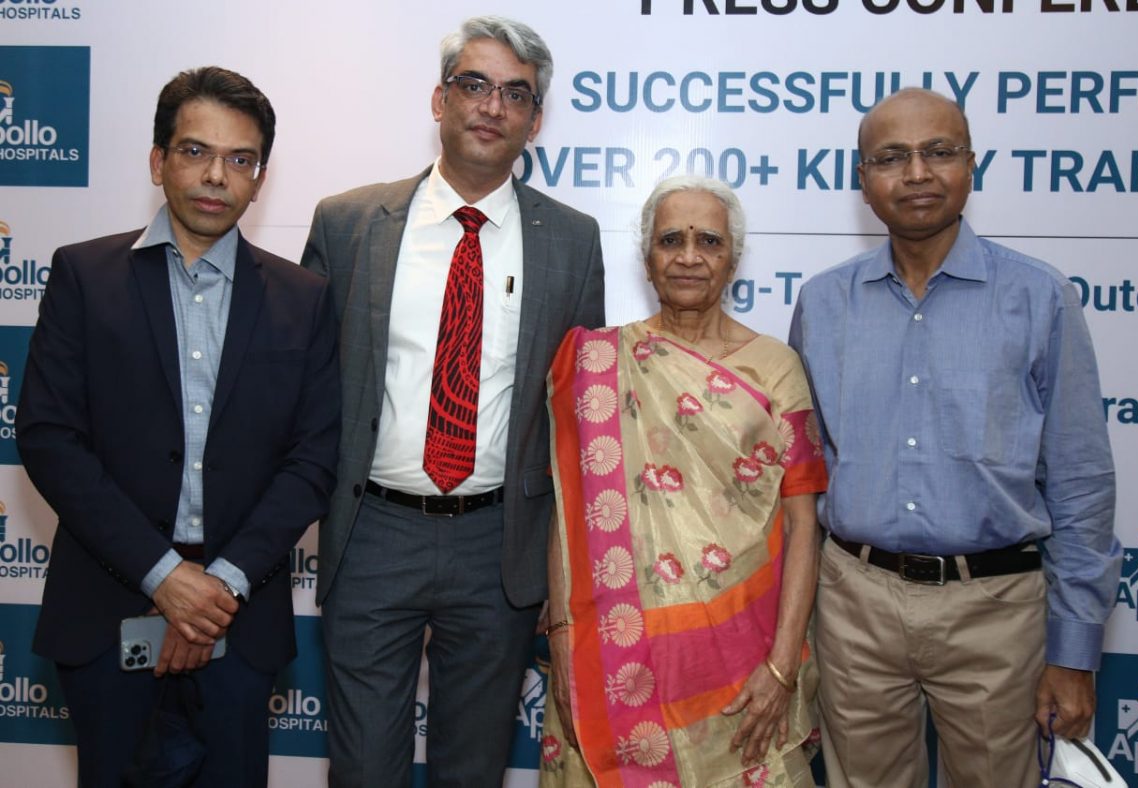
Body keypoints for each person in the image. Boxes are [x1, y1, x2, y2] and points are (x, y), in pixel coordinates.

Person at [300, 15, 606, 786]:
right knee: (362, 770)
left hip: (498, 545)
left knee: (472, 771)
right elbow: (304, 387)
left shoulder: (573, 241)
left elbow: (581, 415)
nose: (492, 106)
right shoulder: (348, 224)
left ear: (536, 120)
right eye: (474, 84)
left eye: (515, 93)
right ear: (440, 100)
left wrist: (566, 566)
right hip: (372, 533)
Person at [16, 66, 340, 787]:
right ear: (158, 160)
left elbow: (314, 459)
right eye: (195, 151)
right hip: (106, 608)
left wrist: (216, 588)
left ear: (260, 178)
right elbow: (49, 438)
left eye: (240, 159)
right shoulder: (84, 276)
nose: (216, 175)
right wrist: (164, 577)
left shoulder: (304, 298)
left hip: (240, 619)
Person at [789, 88, 1121, 788]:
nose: (916, 173)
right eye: (891, 158)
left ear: (972, 165)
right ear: (862, 180)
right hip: (853, 604)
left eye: (938, 152)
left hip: (995, 610)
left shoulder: (1038, 297)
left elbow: (1081, 482)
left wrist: (1074, 652)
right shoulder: (822, 303)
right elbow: (801, 472)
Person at [540, 176, 827, 787]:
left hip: (747, 653)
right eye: (671, 240)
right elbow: (569, 517)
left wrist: (781, 667)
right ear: (647, 259)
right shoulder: (597, 365)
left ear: (733, 260)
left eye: (709, 242)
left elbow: (804, 523)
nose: (689, 257)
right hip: (620, 657)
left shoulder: (776, 366)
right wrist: (562, 635)